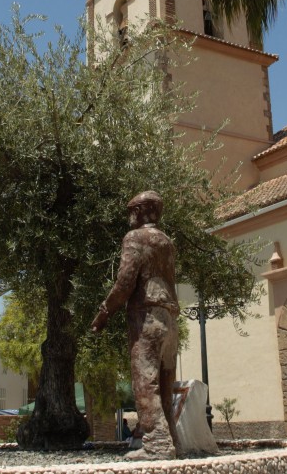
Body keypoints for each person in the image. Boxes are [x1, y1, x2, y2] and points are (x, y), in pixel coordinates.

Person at [91, 191, 180, 461]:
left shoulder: (135, 238)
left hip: (148, 314)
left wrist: (104, 313)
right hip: (171, 315)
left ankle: (157, 445)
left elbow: (125, 282)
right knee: (165, 382)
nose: (129, 217)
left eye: (132, 210)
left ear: (142, 211)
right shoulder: (167, 241)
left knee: (145, 380)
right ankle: (174, 442)